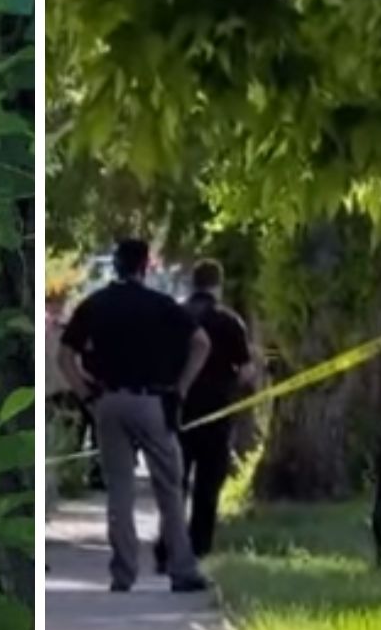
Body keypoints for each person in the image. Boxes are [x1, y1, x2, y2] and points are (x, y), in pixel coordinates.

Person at [58, 238, 212, 593]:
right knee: (169, 490)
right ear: (145, 266)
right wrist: (182, 386)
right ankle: (182, 570)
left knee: (119, 492)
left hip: (109, 401)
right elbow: (201, 343)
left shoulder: (94, 305)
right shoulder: (162, 306)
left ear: (115, 265)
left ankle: (123, 573)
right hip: (153, 401)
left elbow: (65, 357)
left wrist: (86, 395)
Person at [151, 259, 255, 569]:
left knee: (175, 482)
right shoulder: (230, 321)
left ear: (191, 283)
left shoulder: (173, 317)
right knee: (208, 484)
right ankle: (198, 548)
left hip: (177, 409)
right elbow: (247, 373)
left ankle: (166, 548)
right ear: (217, 285)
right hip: (217, 411)